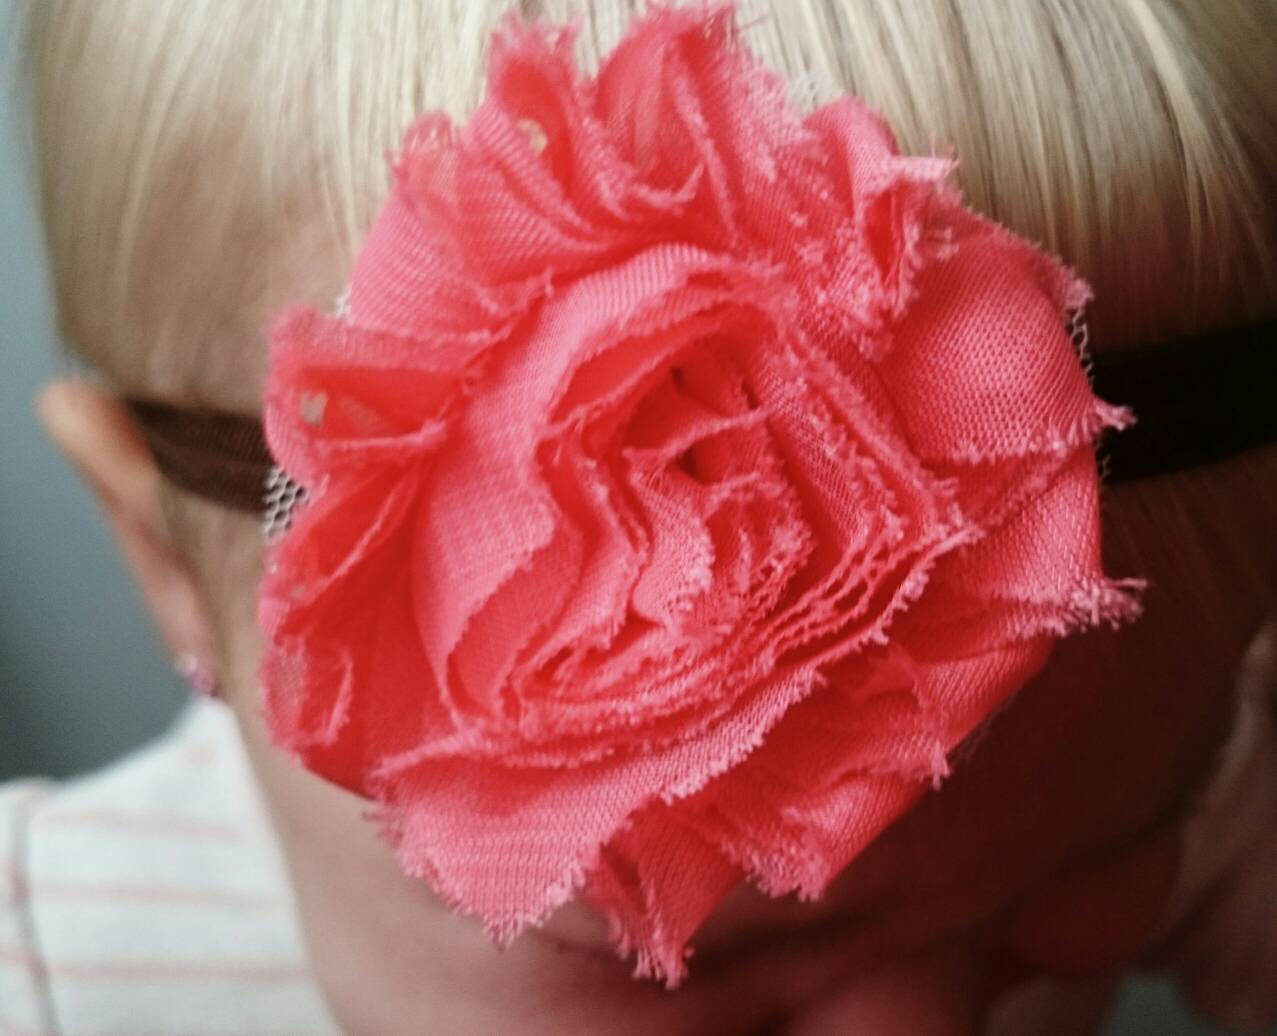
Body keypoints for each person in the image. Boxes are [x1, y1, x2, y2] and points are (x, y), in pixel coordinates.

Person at [5, 1, 1275, 1032]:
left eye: (1076, 905)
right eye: (666, 971)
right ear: (163, 559)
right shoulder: (53, 977)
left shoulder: (1172, 784)